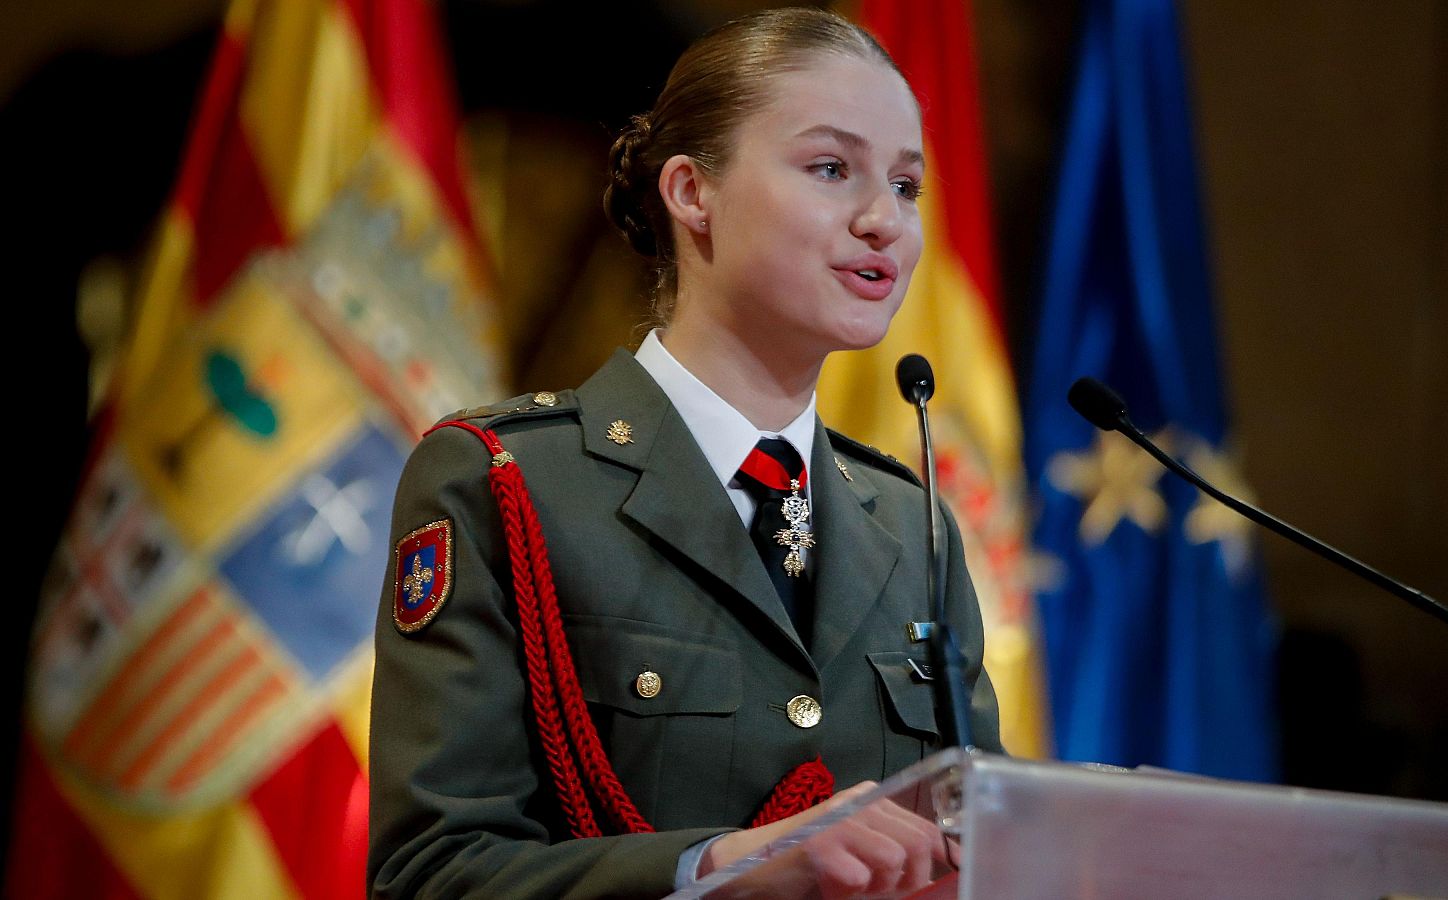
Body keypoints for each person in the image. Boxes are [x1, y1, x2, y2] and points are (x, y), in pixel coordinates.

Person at [368, 8, 1004, 898]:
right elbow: (431, 875)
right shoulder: (506, 482)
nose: (882, 221)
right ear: (691, 192)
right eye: (831, 168)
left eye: (906, 186)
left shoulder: (912, 522)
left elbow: (981, 848)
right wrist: (720, 870)